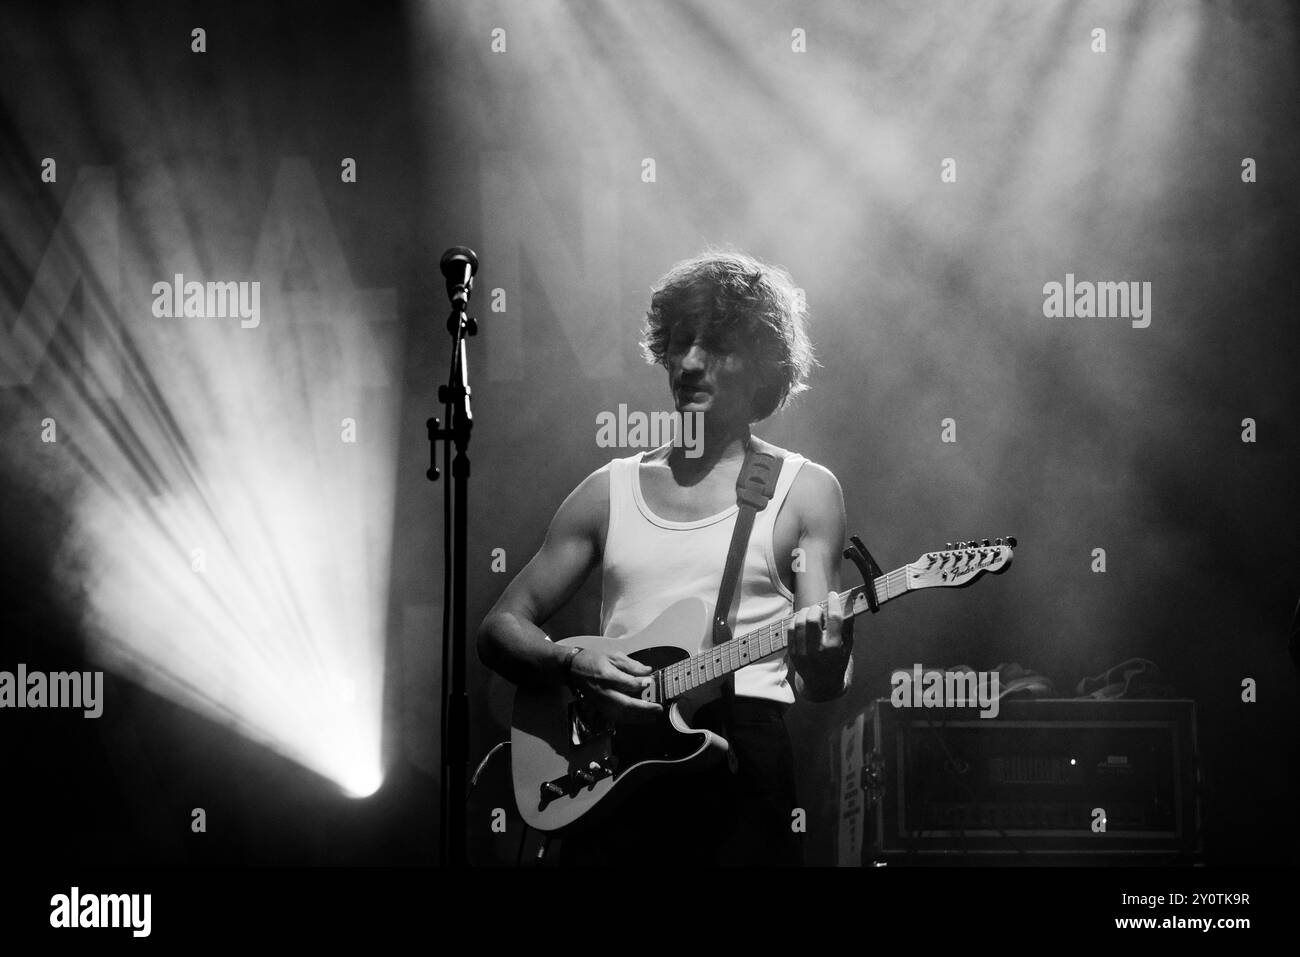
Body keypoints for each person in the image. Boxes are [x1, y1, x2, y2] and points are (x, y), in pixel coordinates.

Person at [477, 249, 855, 865]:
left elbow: (820, 664)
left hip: (741, 768)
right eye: (679, 343)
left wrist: (828, 656)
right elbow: (500, 628)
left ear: (762, 363)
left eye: (717, 345)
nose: (689, 363)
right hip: (612, 770)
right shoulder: (608, 490)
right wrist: (570, 664)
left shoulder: (805, 492)